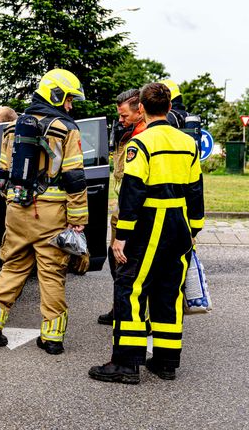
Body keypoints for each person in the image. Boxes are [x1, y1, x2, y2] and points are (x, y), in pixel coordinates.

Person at [89, 82, 205, 384]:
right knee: (168, 293)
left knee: (130, 289)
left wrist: (121, 236)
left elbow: (132, 191)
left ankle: (125, 364)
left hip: (149, 222)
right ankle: (166, 362)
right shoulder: (187, 142)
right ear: (168, 108)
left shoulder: (140, 145)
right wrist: (194, 227)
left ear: (141, 108)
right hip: (179, 223)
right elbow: (196, 190)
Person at [0, 69, 88, 355]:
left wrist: (13, 201)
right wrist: (78, 219)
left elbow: (2, 173)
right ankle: (51, 337)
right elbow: (74, 177)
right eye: (68, 99)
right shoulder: (66, 128)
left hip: (17, 210)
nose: (70, 106)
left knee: (12, 266)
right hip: (50, 215)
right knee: (51, 273)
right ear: (56, 94)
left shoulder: (13, 128)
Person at [97, 88, 147, 325]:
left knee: (130, 265)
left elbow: (135, 186)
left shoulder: (143, 136)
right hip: (121, 209)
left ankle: (134, 315)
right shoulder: (128, 132)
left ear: (141, 110)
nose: (120, 120)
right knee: (116, 260)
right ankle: (120, 306)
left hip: (135, 212)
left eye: (125, 115)